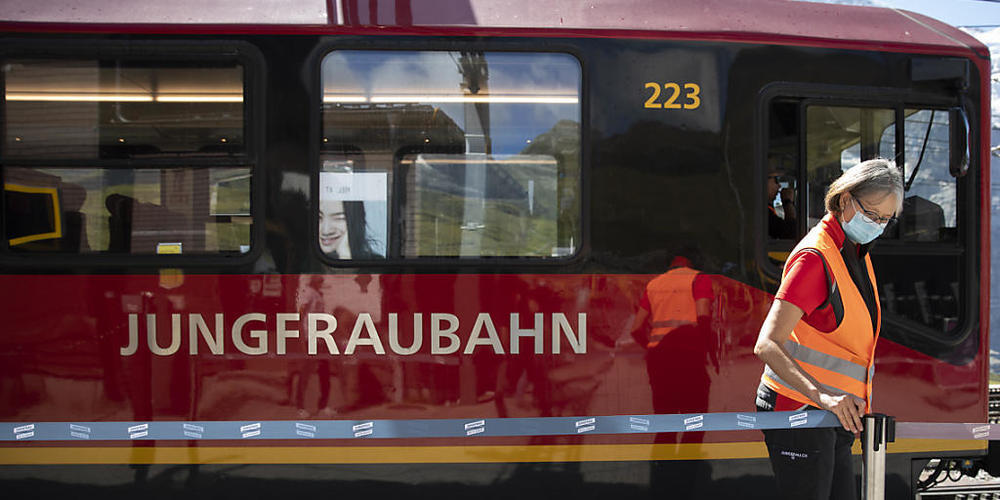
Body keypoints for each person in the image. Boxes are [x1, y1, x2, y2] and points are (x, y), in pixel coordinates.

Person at [753, 158, 903, 500]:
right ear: (846, 199)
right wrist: (822, 395)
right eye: (873, 215)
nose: (877, 226)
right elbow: (767, 344)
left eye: (885, 220)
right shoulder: (815, 258)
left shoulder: (854, 252)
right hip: (800, 411)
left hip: (832, 413)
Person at [767, 163, 798, 239]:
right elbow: (791, 233)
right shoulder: (762, 213)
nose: (779, 185)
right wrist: (787, 202)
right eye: (776, 180)